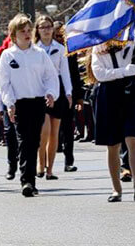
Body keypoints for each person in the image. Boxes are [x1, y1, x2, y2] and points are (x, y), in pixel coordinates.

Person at [0, 14, 58, 197]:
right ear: (14, 35)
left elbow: (50, 77)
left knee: (34, 140)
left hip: (37, 101)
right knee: (24, 141)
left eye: (28, 31)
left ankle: (31, 178)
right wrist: (9, 103)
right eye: (22, 31)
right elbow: (3, 83)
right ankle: (27, 180)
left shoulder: (40, 54)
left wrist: (51, 93)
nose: (26, 34)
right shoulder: (8, 56)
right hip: (19, 103)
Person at [91, 29, 135, 203]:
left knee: (133, 138)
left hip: (129, 90)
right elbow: (99, 73)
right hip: (109, 93)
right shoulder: (98, 46)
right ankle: (116, 189)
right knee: (113, 144)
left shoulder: (131, 39)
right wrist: (123, 71)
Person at [34, 15, 72, 180]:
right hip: (40, 91)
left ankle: (50, 169)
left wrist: (69, 93)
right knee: (44, 130)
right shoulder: (34, 49)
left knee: (54, 133)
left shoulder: (60, 48)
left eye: (49, 27)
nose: (47, 30)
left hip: (57, 90)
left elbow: (65, 72)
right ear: (38, 30)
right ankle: (40, 163)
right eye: (43, 27)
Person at [54, 22, 80, 172]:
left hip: (66, 92)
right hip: (50, 93)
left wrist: (78, 98)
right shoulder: (43, 50)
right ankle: (44, 162)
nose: (59, 38)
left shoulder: (69, 50)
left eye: (61, 36)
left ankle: (68, 160)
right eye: (56, 35)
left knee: (68, 128)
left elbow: (74, 74)